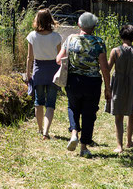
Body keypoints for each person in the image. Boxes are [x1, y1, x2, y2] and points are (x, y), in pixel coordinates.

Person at [56, 12, 111, 158]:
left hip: (73, 81)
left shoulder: (70, 39)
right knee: (89, 113)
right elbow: (104, 67)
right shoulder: (98, 43)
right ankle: (84, 146)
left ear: (79, 25)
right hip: (92, 83)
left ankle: (74, 132)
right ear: (94, 27)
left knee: (73, 107)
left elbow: (58, 59)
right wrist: (108, 87)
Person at [105, 24, 133, 153]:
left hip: (118, 83)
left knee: (118, 115)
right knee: (131, 113)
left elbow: (107, 69)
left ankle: (119, 145)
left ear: (121, 36)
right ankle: (129, 141)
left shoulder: (115, 51)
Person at [25, 9, 63, 140]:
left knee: (38, 101)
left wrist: (28, 73)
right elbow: (60, 57)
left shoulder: (32, 36)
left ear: (37, 20)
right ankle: (46, 131)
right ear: (50, 20)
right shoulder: (56, 37)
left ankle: (40, 129)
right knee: (50, 103)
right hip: (53, 70)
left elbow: (30, 57)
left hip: (38, 70)